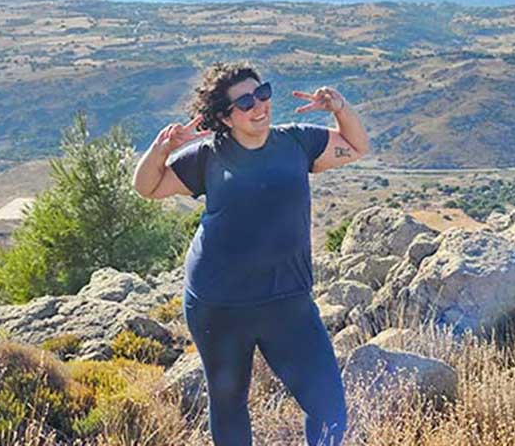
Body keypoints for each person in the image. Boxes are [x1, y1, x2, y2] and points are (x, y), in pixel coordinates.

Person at [132, 60, 370, 446]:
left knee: (328, 407)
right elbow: (147, 186)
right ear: (225, 117)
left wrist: (341, 108)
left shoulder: (297, 142)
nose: (259, 106)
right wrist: (162, 149)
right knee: (229, 406)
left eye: (263, 94)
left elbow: (358, 146)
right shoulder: (207, 157)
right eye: (245, 102)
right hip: (219, 303)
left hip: (287, 298)